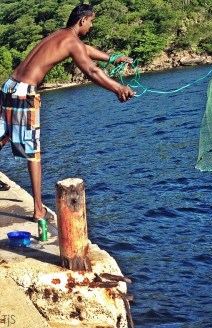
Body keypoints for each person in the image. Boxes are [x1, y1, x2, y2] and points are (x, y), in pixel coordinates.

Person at [0, 4, 135, 221]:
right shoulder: (72, 42)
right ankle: (38, 210)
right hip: (25, 91)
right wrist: (118, 88)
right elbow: (91, 70)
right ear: (82, 21)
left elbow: (85, 50)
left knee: (5, 133)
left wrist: (112, 58)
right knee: (32, 152)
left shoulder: (60, 36)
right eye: (91, 21)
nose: (91, 26)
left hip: (9, 86)